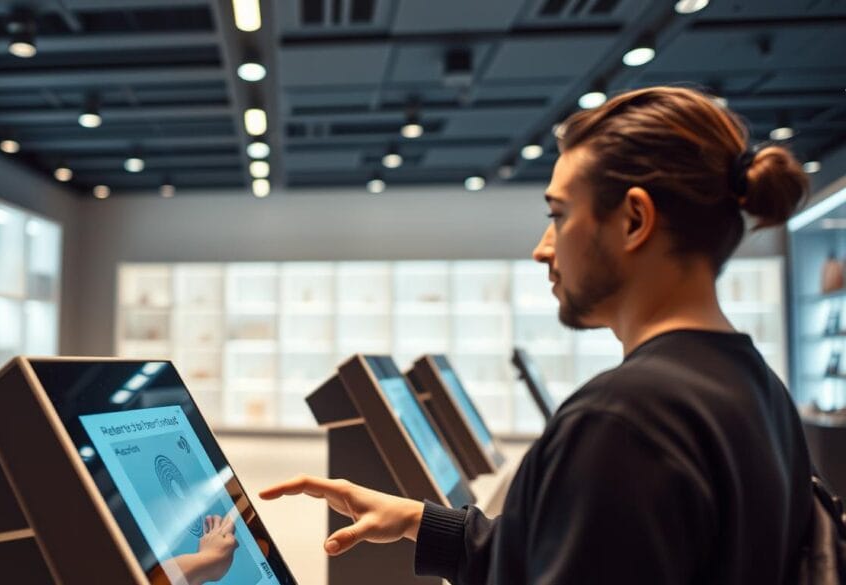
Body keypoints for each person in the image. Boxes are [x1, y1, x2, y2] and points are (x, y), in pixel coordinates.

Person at [260, 86, 813, 584]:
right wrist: (419, 522)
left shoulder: (624, 418)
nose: (543, 247)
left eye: (559, 214)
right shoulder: (757, 387)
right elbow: (597, 554)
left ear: (633, 221)